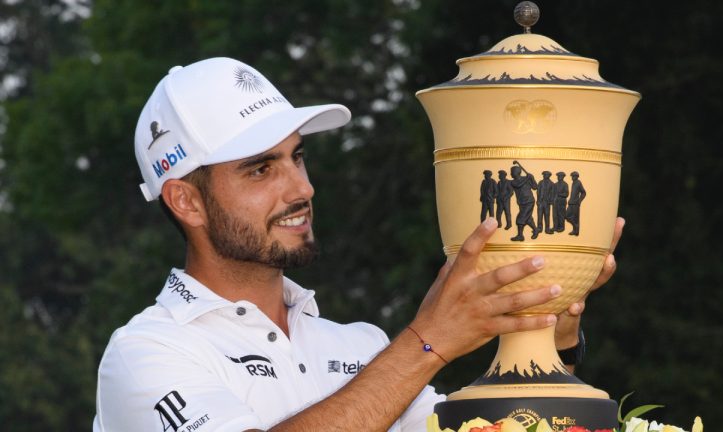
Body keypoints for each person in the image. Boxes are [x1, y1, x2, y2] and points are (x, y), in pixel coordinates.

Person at [93, 57, 622, 432]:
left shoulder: (362, 348)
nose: (302, 188)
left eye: (296, 157)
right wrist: (427, 341)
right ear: (186, 201)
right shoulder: (146, 354)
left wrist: (552, 333)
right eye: (260, 169)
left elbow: (503, 428)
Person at [509, 164, 538, 241]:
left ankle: (520, 235)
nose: (510, 173)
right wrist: (527, 178)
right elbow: (518, 185)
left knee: (520, 218)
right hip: (521, 202)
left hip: (529, 201)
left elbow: (535, 187)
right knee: (528, 219)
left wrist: (532, 178)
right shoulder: (513, 182)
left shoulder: (526, 178)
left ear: (517, 172)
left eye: (512, 172)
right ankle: (536, 230)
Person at [566, 171, 587, 236]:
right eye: (572, 176)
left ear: (576, 176)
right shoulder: (573, 183)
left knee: (575, 218)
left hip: (575, 204)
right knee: (566, 216)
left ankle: (576, 231)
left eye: (573, 176)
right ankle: (576, 227)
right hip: (571, 203)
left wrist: (579, 201)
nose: (572, 177)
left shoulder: (578, 183)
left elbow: (583, 192)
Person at [536, 171, 555, 235]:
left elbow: (553, 193)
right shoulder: (540, 182)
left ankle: (547, 229)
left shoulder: (552, 184)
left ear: (549, 175)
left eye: (545, 174)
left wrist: (551, 201)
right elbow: (538, 192)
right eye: (544, 174)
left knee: (547, 216)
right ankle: (539, 228)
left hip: (547, 202)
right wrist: (538, 200)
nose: (544, 175)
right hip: (540, 202)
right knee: (539, 215)